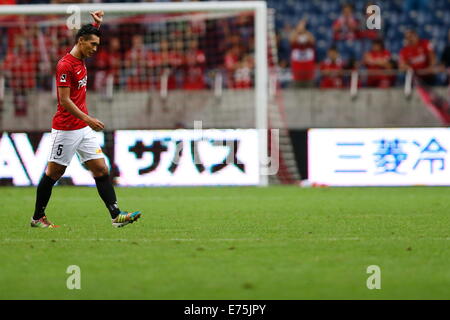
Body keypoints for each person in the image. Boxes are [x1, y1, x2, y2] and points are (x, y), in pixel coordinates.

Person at [30, 11, 141, 228]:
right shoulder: (65, 65)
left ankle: (116, 216)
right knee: (54, 172)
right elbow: (64, 101)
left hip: (82, 128)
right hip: (66, 128)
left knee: (101, 169)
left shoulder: (82, 56)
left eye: (97, 45)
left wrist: (96, 25)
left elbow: (89, 35)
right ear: (80, 42)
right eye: (92, 44)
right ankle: (37, 218)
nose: (95, 49)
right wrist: (89, 119)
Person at [289, 19, 316, 88]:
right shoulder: (295, 41)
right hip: (297, 75)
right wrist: (298, 30)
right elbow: (291, 40)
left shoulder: (309, 38)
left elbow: (312, 40)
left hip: (309, 75)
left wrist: (304, 30)